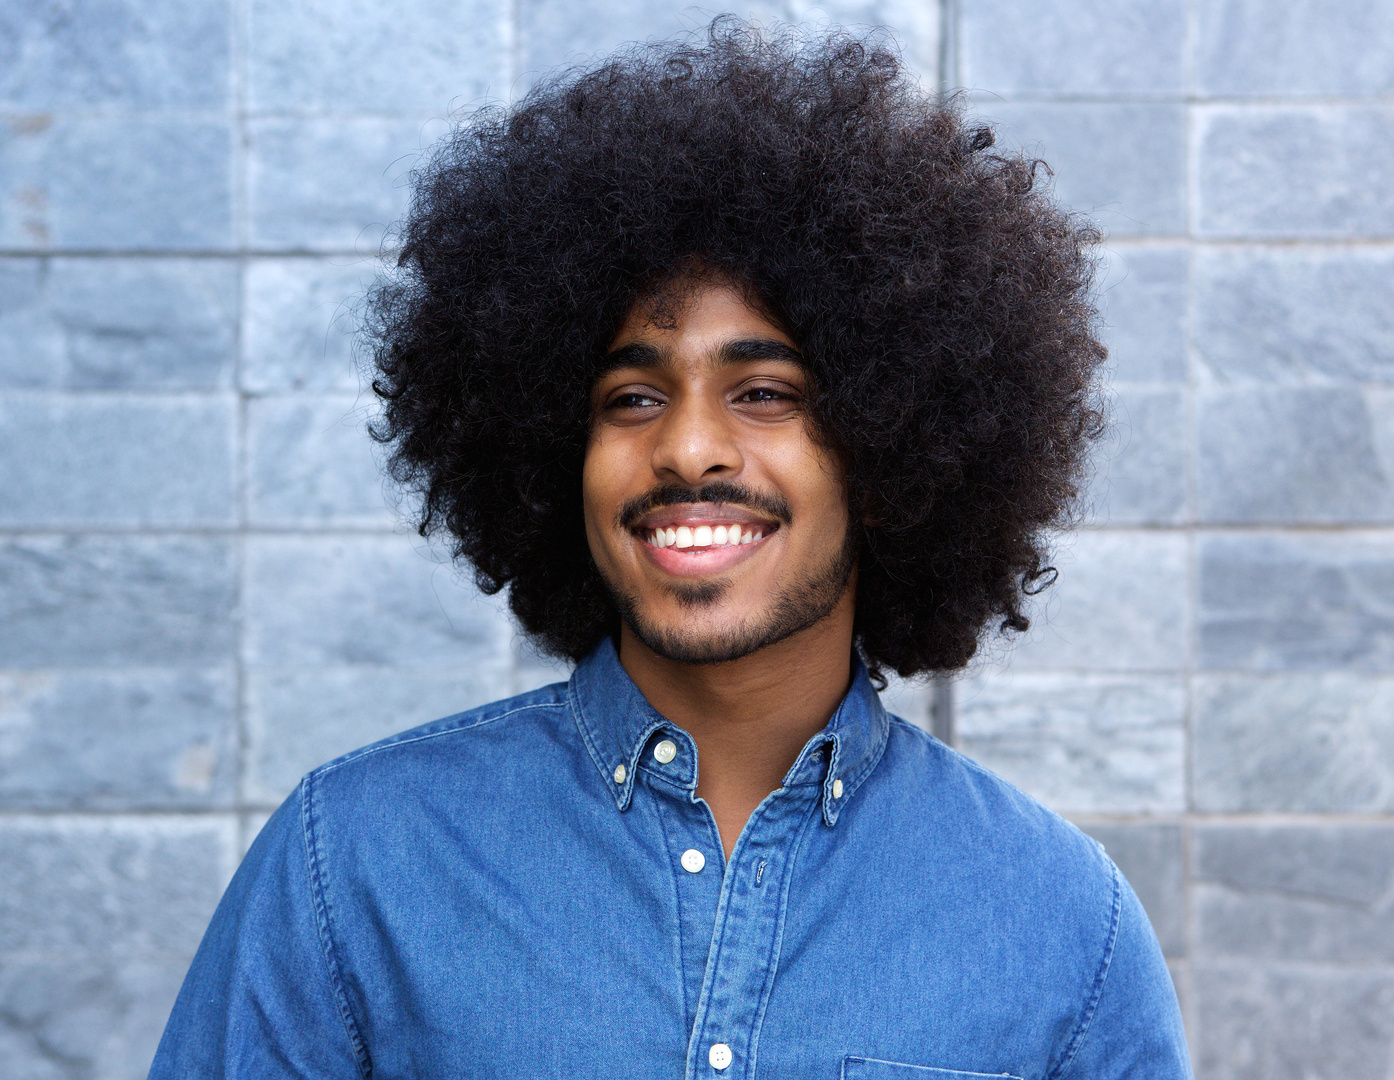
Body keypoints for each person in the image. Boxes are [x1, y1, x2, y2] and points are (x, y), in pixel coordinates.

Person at [149, 21, 1190, 1080]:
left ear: (889, 456)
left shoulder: (1062, 925)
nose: (688, 448)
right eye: (632, 397)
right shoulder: (357, 862)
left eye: (765, 394)